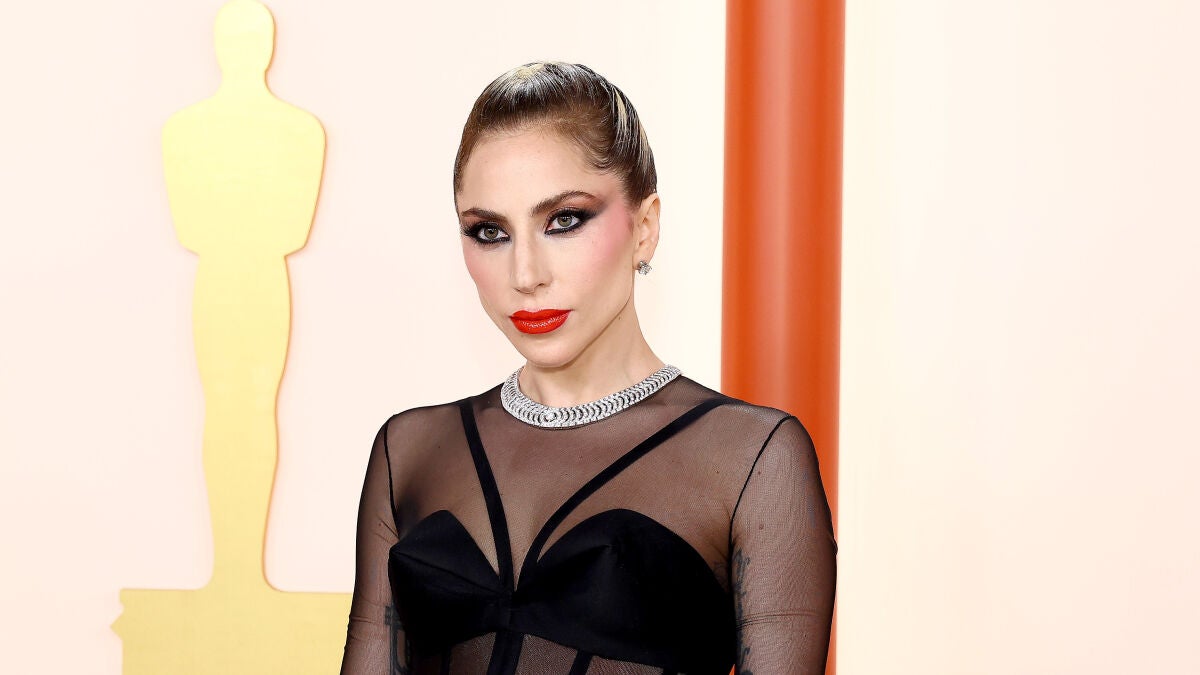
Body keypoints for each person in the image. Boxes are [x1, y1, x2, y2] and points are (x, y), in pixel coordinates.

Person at [339, 61, 837, 675]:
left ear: (644, 228)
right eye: (489, 232)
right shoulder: (408, 450)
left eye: (564, 221)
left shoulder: (751, 458)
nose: (525, 274)